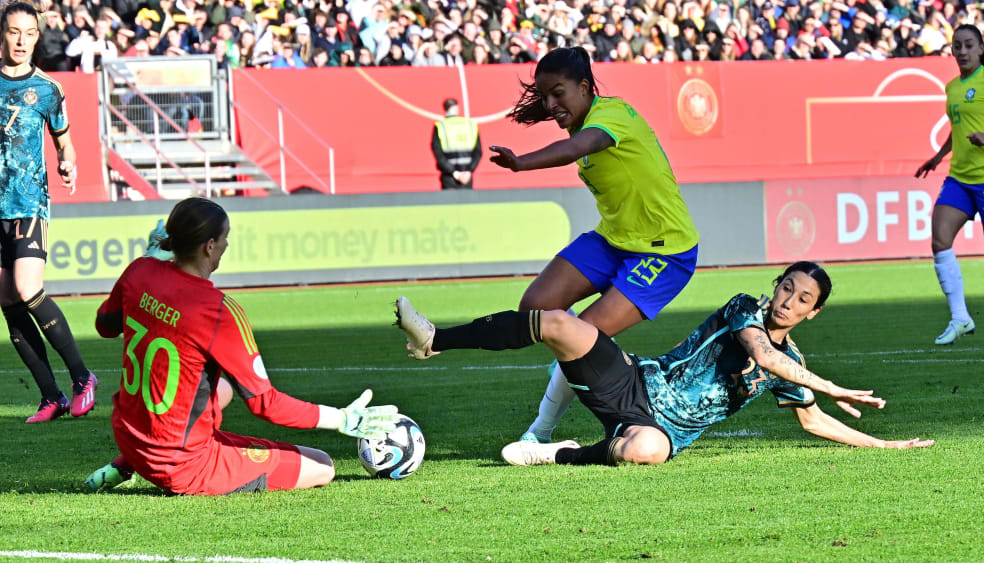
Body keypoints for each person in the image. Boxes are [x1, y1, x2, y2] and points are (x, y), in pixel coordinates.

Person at [395, 261, 935, 466]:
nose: (787, 301)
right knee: (558, 322)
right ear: (774, 287)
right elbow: (761, 353)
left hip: (661, 430)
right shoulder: (745, 308)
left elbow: (813, 419)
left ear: (813, 314)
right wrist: (833, 384)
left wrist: (885, 443)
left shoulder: (791, 360)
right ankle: (436, 338)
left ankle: (563, 454)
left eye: (801, 299)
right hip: (633, 380)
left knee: (647, 450)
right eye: (786, 288)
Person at [86, 199, 399, 495]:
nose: (226, 246)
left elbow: (105, 326)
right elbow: (266, 404)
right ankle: (163, 465)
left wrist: (152, 260)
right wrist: (342, 419)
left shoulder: (140, 270)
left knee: (223, 389)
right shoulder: (218, 311)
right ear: (210, 246)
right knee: (322, 466)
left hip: (130, 438)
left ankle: (126, 465)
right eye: (225, 238)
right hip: (180, 466)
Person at [488, 47, 699, 445]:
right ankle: (601, 347)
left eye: (558, 94)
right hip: (613, 239)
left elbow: (576, 148)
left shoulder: (611, 116)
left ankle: (540, 432)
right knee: (536, 306)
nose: (550, 105)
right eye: (544, 96)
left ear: (586, 87)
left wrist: (522, 163)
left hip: (664, 250)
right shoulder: (578, 116)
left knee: (579, 334)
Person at [0, 2, 97, 424]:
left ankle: (82, 376)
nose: (20, 41)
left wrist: (68, 161)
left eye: (28, 33)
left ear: (36, 35)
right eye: (13, 32)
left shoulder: (49, 89)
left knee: (29, 288)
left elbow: (65, 141)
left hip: (28, 201)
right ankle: (51, 397)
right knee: (9, 299)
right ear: (1, 32)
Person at [915, 24, 984, 345]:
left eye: (969, 45)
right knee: (940, 239)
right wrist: (938, 156)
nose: (962, 51)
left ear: (981, 49)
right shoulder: (952, 87)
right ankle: (960, 317)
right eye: (957, 46)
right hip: (960, 178)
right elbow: (957, 129)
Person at [431, 98, 482, 190]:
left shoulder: (440, 126)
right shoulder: (470, 124)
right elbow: (478, 152)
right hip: (467, 176)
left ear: (445, 109)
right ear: (457, 108)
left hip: (449, 176)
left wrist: (454, 173)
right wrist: (469, 171)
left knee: (449, 203)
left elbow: (438, 154)